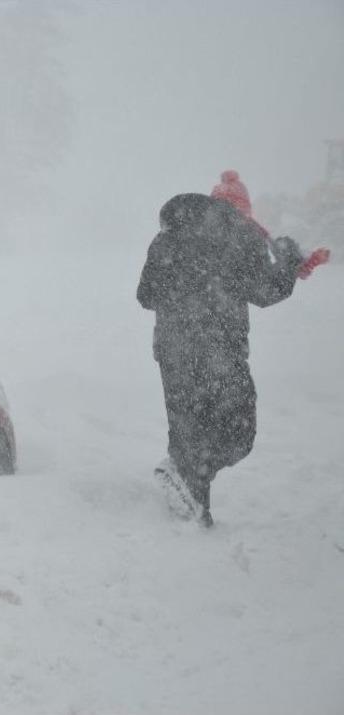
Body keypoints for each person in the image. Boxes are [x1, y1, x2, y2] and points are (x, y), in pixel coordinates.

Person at [137, 174, 306, 527]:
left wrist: (185, 286)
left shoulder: (167, 237)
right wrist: (289, 261)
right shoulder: (240, 234)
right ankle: (186, 482)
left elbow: (146, 295)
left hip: (172, 352)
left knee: (187, 434)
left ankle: (194, 512)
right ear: (241, 209)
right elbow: (266, 291)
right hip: (219, 353)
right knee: (238, 434)